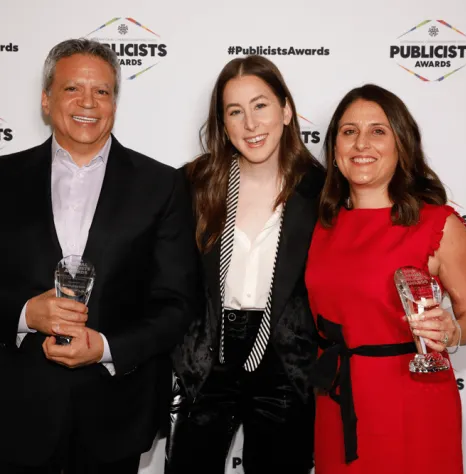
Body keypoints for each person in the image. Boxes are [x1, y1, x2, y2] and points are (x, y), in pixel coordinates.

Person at [0, 38, 198, 473]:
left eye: (102, 91)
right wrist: (24, 314)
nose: (88, 102)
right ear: (46, 99)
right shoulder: (2, 179)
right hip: (15, 414)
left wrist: (107, 347)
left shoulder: (161, 185)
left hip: (114, 415)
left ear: (114, 101)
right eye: (73, 89)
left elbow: (177, 303)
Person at [165, 55, 325, 474]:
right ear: (224, 124)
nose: (251, 124)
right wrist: (187, 354)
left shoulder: (321, 190)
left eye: (261, 105)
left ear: (286, 110)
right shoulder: (194, 184)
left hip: (284, 361)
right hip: (211, 355)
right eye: (235, 112)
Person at [305, 83, 466, 474]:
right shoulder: (320, 225)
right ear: (334, 149)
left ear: (402, 143)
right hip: (336, 398)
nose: (361, 143)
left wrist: (453, 333)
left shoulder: (438, 224)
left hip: (412, 404)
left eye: (378, 131)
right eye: (349, 132)